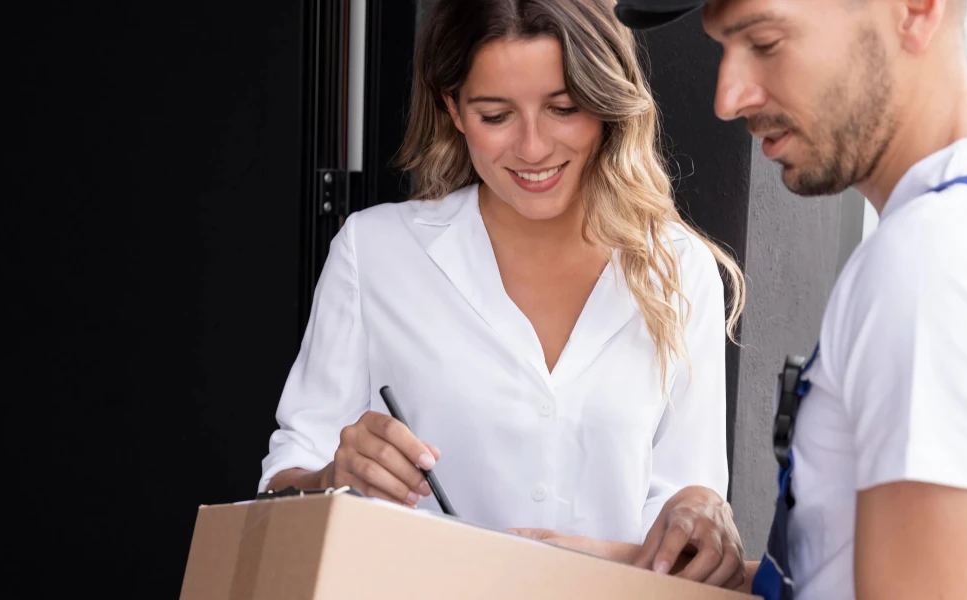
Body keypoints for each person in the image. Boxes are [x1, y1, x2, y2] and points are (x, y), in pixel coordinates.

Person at [260, 0, 750, 588]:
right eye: (496, 116)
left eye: (564, 108)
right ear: (454, 109)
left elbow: (686, 503)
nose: (534, 148)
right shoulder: (375, 253)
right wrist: (332, 477)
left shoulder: (677, 268)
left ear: (606, 104)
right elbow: (279, 492)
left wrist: (701, 515)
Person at [614, 0, 967, 598]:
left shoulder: (940, 264)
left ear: (915, 11)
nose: (728, 98)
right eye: (724, 48)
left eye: (766, 41)